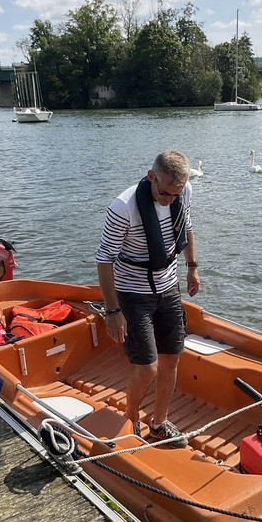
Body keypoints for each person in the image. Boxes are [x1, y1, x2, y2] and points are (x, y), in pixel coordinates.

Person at [95, 150, 200, 449]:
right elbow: (104, 260)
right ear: (150, 176)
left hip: (168, 288)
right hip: (132, 293)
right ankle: (131, 419)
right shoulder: (124, 207)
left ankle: (158, 424)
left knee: (171, 360)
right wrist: (112, 310)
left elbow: (187, 227)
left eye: (176, 193)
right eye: (165, 192)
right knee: (147, 368)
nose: (170, 199)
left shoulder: (183, 192)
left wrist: (192, 268)